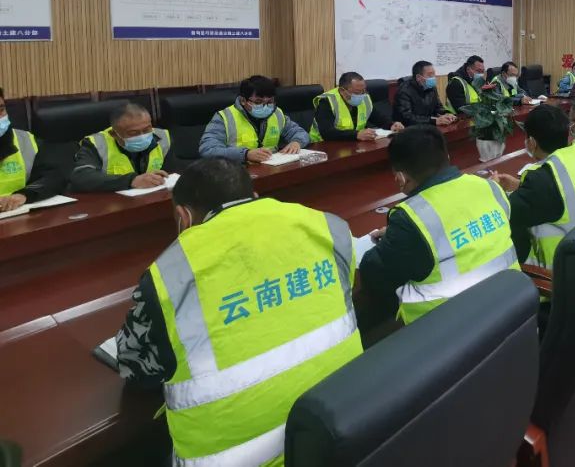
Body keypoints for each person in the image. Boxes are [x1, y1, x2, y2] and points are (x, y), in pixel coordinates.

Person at [114, 158, 364, 466]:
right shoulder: (329, 226)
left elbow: (135, 366)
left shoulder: (171, 272)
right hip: (340, 431)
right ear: (254, 196)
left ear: (183, 216)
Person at [358, 125, 518, 324]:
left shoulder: (411, 220)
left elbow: (374, 273)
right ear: (447, 157)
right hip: (515, 310)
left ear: (401, 177)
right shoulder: (490, 187)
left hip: (452, 330)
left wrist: (393, 240)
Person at [491, 104, 575, 267]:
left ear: (532, 142)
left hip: (560, 271)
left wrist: (494, 190)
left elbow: (505, 214)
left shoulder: (542, 179)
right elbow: (565, 192)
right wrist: (520, 186)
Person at [70, 102, 178, 193]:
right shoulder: (96, 144)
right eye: (133, 133)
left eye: (147, 129)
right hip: (112, 203)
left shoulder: (163, 137)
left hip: (153, 198)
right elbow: (81, 177)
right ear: (114, 134)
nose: (142, 136)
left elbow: (172, 172)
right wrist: (131, 180)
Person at [199, 75, 309, 163]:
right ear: (243, 100)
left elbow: (300, 133)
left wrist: (297, 142)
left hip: (270, 169)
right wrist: (245, 154)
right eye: (258, 102)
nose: (265, 106)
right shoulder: (225, 117)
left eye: (270, 102)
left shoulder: (276, 114)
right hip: (236, 172)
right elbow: (208, 150)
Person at [0, 87, 63, 212]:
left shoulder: (25, 140)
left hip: (18, 216)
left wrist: (23, 195)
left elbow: (54, 177)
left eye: (1, 109)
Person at [310, 71, 403, 142]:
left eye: (364, 91)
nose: (361, 95)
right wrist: (356, 135)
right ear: (342, 91)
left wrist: (391, 125)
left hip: (351, 144)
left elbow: (377, 117)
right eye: (357, 92)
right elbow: (327, 132)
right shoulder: (327, 101)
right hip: (322, 146)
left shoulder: (364, 98)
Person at [394, 60, 457, 127]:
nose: (433, 77)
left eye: (434, 74)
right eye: (430, 75)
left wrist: (447, 114)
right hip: (410, 129)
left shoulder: (431, 87)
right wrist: (434, 121)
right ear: (418, 77)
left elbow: (438, 107)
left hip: (427, 126)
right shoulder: (404, 91)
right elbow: (406, 117)